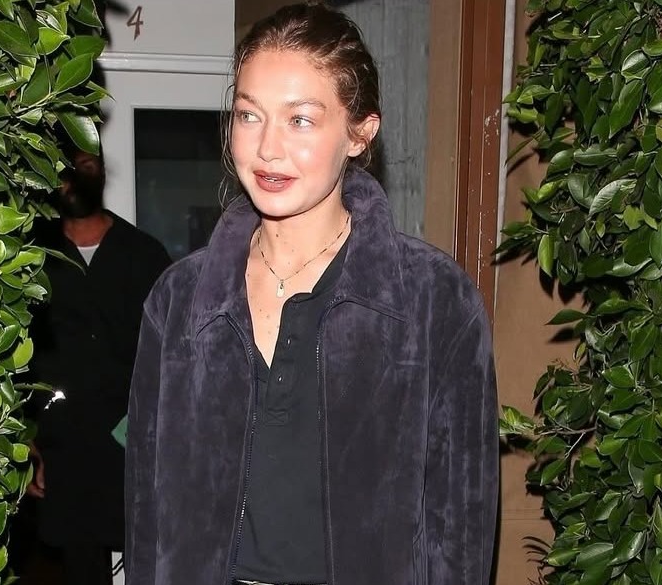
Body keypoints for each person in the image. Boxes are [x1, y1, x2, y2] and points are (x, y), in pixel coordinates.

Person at [123, 2, 498, 584]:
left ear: (359, 133)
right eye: (249, 115)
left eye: (300, 120)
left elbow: (461, 533)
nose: (267, 148)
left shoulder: (434, 300)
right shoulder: (178, 300)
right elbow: (146, 511)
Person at [24, 145, 171, 585]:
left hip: (134, 449)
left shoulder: (144, 255)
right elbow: (10, 362)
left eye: (85, 164)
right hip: (60, 452)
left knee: (154, 564)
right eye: (64, 166)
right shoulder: (29, 257)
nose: (74, 175)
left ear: (102, 169)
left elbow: (174, 359)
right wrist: (26, 444)